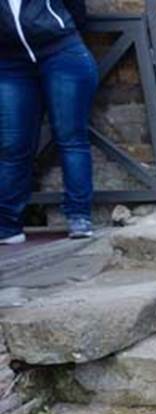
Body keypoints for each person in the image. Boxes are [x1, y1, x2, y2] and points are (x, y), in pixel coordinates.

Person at [0, 0, 97, 245]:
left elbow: (76, 7)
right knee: (13, 145)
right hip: (10, 63)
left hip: (60, 51)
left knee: (70, 137)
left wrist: (62, 31)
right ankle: (8, 225)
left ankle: (79, 216)